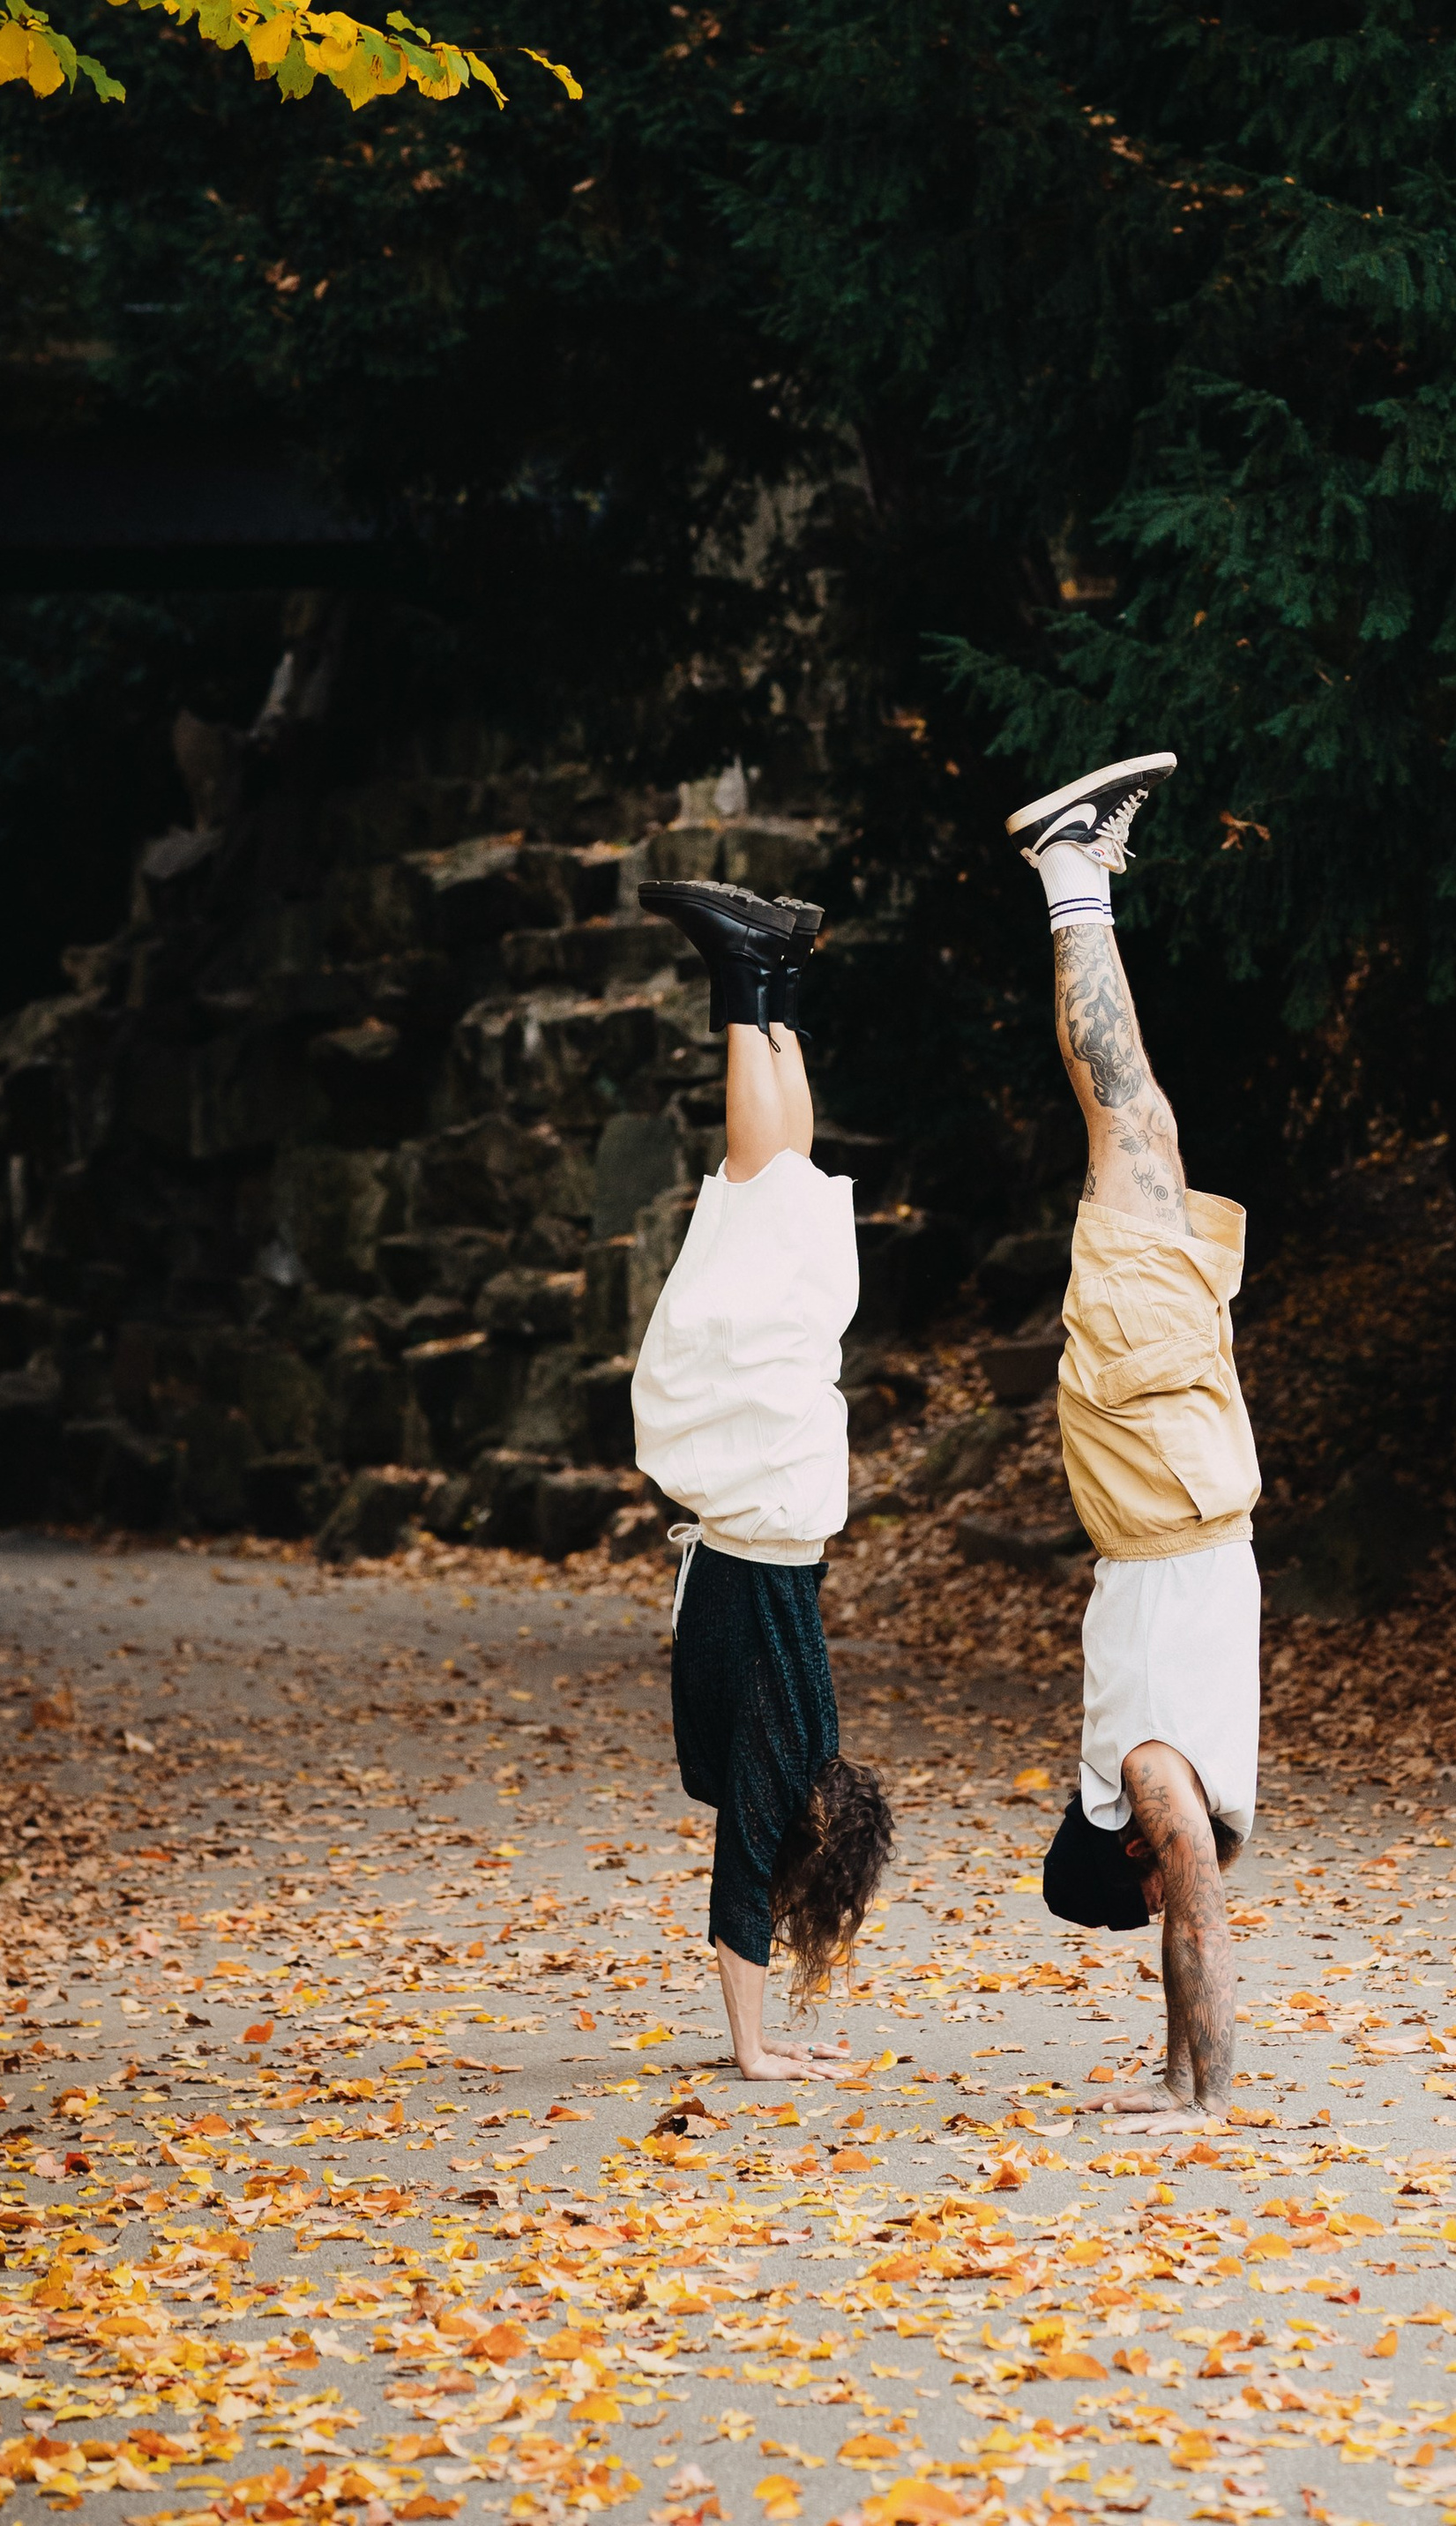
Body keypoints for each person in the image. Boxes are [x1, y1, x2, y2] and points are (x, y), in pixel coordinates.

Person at [1007, 754, 1262, 2129]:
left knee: (1130, 1116)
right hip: (1168, 1458)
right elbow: (1191, 1923)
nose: (1185, 1883)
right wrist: (1167, 2072)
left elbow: (1202, 1930)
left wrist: (1196, 2097)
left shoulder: (1153, 1781)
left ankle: (1067, 869)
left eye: (1159, 1881)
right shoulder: (1148, 1778)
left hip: (1161, 1456)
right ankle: (1074, 874)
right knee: (1143, 1117)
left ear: (1135, 1860)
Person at [630, 878, 893, 2083]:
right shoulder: (786, 1758)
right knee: (749, 1224)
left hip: (790, 1493)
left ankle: (778, 975)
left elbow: (762, 1879)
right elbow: (741, 1891)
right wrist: (755, 2052)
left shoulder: (817, 1737)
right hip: (758, 1492)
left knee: (785, 1221)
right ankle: (745, 974)